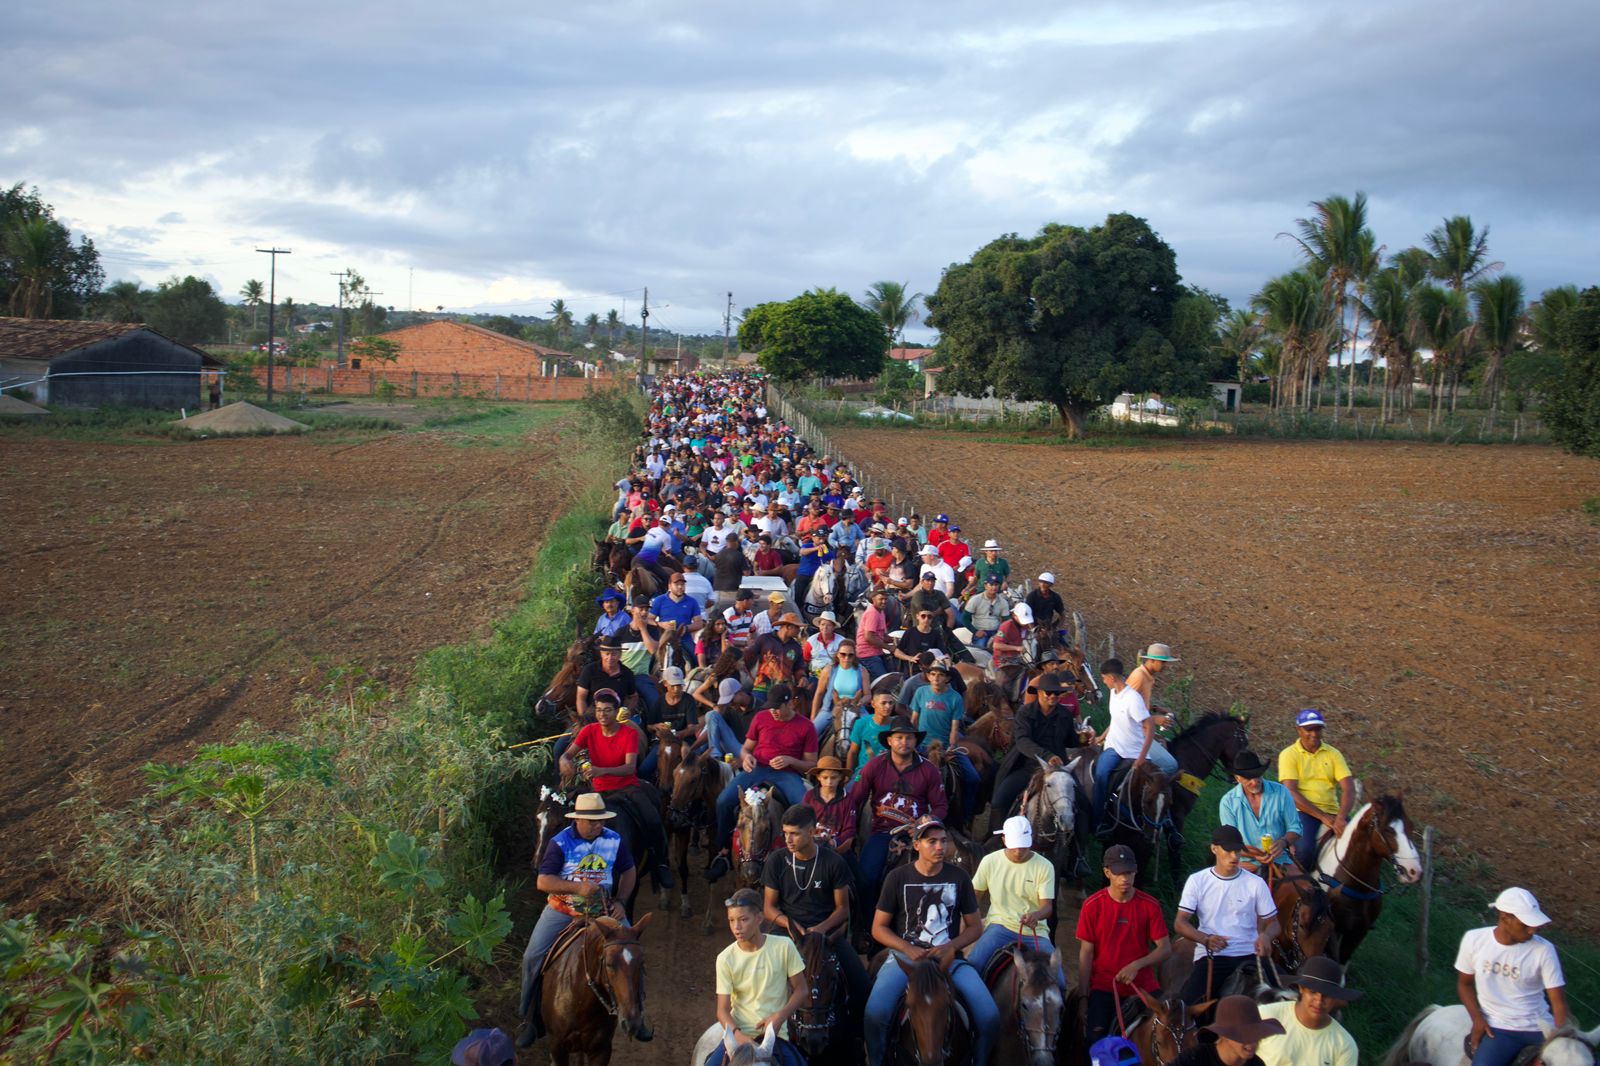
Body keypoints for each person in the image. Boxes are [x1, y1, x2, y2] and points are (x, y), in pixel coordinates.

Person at [864, 819, 997, 1066]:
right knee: (875, 1013)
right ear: (916, 845)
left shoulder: (959, 878)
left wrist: (952, 946)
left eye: (943, 841)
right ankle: (877, 1060)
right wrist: (907, 948)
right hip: (905, 960)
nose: (940, 847)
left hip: (949, 959)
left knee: (988, 1015)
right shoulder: (897, 877)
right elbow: (878, 928)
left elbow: (975, 926)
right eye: (932, 841)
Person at [517, 793, 634, 1046]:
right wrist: (576, 888)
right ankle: (529, 1017)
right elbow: (543, 881)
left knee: (631, 952)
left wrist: (622, 902)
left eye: (601, 821)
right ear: (578, 819)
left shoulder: (614, 840)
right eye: (592, 822)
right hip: (562, 910)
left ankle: (636, 1014)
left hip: (604, 910)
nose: (598, 825)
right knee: (532, 956)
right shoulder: (559, 843)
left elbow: (629, 870)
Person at [762, 804, 868, 1033]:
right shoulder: (777, 860)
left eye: (795, 833)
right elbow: (769, 908)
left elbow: (842, 909)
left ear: (811, 832)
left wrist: (820, 929)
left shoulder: (833, 862)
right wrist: (791, 925)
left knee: (861, 984)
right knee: (759, 979)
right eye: (785, 833)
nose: (788, 840)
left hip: (825, 934)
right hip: (786, 930)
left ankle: (856, 1041)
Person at [560, 690, 674, 889]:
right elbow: (567, 754)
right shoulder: (589, 731)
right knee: (564, 815)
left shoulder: (629, 733)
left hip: (626, 788)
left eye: (607, 710)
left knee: (653, 819)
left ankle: (660, 862)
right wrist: (564, 761)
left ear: (616, 712)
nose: (602, 715)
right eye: (599, 710)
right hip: (597, 792)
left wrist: (599, 771)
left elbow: (630, 767)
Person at [708, 683, 820, 881]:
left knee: (806, 808)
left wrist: (791, 760)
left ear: (790, 704)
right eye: (771, 707)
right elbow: (747, 748)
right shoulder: (761, 717)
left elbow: (811, 763)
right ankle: (724, 850)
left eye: (778, 707)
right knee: (723, 801)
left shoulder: (806, 726)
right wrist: (746, 758)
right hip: (758, 769)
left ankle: (806, 854)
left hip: (787, 774)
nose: (774, 711)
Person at [1453, 887, 1569, 1066]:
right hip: (1499, 1030)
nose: (1532, 931)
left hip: (1540, 1029)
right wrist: (1477, 1019)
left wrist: (1560, 1037)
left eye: (1534, 925)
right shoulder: (1474, 940)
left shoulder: (1544, 950)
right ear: (1504, 918)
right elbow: (1464, 984)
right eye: (1525, 924)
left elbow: (1558, 1002)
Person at [1173, 826, 1280, 1013]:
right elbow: (1180, 923)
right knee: (1187, 1009)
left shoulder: (1256, 883)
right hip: (1213, 955)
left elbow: (1274, 923)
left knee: (1281, 1000)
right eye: (1228, 850)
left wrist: (1265, 936)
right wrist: (1205, 939)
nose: (1234, 856)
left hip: (1249, 953)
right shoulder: (1197, 881)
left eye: (1237, 851)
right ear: (1214, 849)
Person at [854, 717, 948, 927]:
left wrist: (929, 819)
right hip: (883, 831)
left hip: (917, 833)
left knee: (935, 875)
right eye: (898, 737)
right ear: (889, 741)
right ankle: (866, 927)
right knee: (866, 877)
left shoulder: (929, 769)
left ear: (915, 741)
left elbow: (941, 806)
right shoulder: (875, 765)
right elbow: (857, 798)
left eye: (908, 738)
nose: (903, 742)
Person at [1076, 844, 1171, 1046]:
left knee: (1172, 1030)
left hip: (1144, 986)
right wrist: (1084, 996)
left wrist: (1136, 965)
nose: (1124, 879)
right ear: (1107, 872)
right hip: (1105, 985)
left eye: (1129, 872)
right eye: (1119, 873)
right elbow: (1086, 953)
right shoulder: (1092, 905)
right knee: (1094, 1040)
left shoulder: (1149, 905)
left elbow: (1165, 948)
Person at [706, 888, 808, 1066]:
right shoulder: (724, 958)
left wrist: (778, 1018)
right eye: (731, 920)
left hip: (776, 1037)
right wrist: (738, 1035)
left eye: (743, 920)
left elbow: (802, 989)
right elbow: (722, 1010)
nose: (736, 927)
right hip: (739, 1036)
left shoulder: (784, 947)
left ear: (759, 919)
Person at [990, 674, 1090, 856]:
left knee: (1084, 805)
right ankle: (995, 845)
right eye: (1049, 693)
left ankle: (1078, 857)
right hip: (1028, 766)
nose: (1052, 696)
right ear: (1040, 693)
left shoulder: (1065, 715)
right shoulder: (1025, 712)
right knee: (999, 800)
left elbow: (1070, 739)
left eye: (1056, 693)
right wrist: (1047, 755)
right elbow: (1022, 741)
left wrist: (1083, 739)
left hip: (1059, 770)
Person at [966, 815, 1064, 985]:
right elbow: (973, 897)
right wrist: (973, 924)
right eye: (1014, 847)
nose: (1018, 851)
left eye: (1023, 847)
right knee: (973, 965)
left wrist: (1037, 915)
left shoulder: (1045, 866)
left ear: (1031, 840)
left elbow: (1047, 907)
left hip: (1036, 931)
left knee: (1059, 980)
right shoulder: (990, 861)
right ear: (1004, 840)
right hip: (999, 926)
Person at [1090, 658, 1178, 835]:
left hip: (1134, 751)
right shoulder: (1114, 694)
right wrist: (1102, 738)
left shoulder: (1133, 699)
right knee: (1101, 773)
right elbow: (1115, 721)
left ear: (1111, 677)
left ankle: (1165, 820)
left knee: (1157, 782)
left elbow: (1149, 727)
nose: (1104, 682)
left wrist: (1141, 757)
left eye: (1104, 678)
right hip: (1114, 747)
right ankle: (1098, 820)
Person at [1276, 709, 1355, 871]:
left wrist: (1340, 817)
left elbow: (1348, 789)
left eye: (1317, 729)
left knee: (1362, 845)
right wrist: (1323, 817)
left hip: (1333, 812)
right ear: (1299, 730)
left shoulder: (1333, 754)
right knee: (1304, 851)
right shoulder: (1289, 754)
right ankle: (1301, 888)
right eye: (1309, 729)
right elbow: (1291, 792)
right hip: (1302, 813)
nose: (1314, 733)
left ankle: (1371, 891)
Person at [907, 659, 979, 822]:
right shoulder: (920, 693)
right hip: (922, 746)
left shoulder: (955, 698)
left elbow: (955, 728)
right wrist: (911, 743)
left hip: (945, 747)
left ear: (947, 678)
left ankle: (966, 817)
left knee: (973, 778)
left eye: (940, 675)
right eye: (933, 674)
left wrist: (952, 747)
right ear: (928, 676)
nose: (936, 678)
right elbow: (914, 721)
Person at [1254, 956, 1360, 1066]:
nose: (1319, 1001)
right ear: (1301, 988)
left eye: (1327, 995)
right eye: (1313, 992)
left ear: (1335, 998)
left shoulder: (1344, 1045)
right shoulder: (1265, 1015)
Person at [1217, 751, 1300, 876]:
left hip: (1279, 859)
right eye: (1248, 778)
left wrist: (1283, 843)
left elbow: (1296, 828)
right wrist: (1256, 855)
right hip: (1244, 862)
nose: (1255, 782)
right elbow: (1231, 842)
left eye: (1257, 776)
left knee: (1307, 889)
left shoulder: (1281, 792)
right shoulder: (1228, 802)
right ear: (1237, 778)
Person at [1172, 996, 1285, 1066]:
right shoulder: (1195, 1058)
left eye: (1255, 1035)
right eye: (1244, 1036)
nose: (1252, 1043)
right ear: (1225, 1035)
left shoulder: (1256, 1064)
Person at [800, 755, 863, 855]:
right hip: (811, 844)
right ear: (818, 777)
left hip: (838, 847)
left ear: (840, 778)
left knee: (855, 870)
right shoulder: (809, 796)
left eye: (833, 778)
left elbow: (849, 829)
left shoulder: (847, 799)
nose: (829, 782)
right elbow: (802, 821)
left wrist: (835, 842)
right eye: (825, 777)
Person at [811, 638, 868, 742]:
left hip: (855, 708)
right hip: (831, 708)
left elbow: (868, 695)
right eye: (843, 654)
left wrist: (860, 702)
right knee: (811, 733)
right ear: (837, 654)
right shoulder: (828, 670)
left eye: (850, 655)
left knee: (871, 733)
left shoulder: (862, 670)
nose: (846, 658)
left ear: (854, 656)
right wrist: (813, 717)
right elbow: (819, 694)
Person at [745, 612, 806, 707]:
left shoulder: (796, 647)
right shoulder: (764, 639)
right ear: (788, 627)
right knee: (756, 712)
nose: (799, 630)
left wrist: (802, 677)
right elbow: (748, 656)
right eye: (797, 627)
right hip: (762, 686)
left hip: (783, 689)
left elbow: (798, 667)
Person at [847, 692, 896, 780]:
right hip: (862, 772)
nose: (888, 706)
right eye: (883, 703)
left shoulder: (897, 724)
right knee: (850, 791)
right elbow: (853, 752)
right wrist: (848, 776)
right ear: (873, 704)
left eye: (891, 703)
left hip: (890, 773)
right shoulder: (861, 723)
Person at [963, 575, 1011, 649]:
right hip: (980, 631)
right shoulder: (975, 600)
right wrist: (975, 631)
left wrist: (1000, 633)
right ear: (985, 586)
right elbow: (965, 618)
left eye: (996, 585)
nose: (994, 587)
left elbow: (1007, 621)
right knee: (981, 650)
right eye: (991, 584)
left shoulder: (1003, 602)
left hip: (996, 632)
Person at [856, 588, 893, 680]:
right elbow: (868, 637)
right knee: (883, 680)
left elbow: (882, 635)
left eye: (886, 599)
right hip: (867, 655)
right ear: (873, 599)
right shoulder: (872, 613)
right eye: (881, 599)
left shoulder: (881, 612)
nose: (884, 601)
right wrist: (888, 647)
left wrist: (896, 640)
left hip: (877, 652)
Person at [1025, 573, 1064, 638]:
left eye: (1046, 583)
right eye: (1041, 581)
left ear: (1051, 584)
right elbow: (1026, 614)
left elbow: (1062, 615)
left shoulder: (1055, 597)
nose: (1042, 584)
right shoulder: (1032, 596)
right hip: (1032, 626)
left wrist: (1055, 628)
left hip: (1047, 627)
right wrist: (1033, 630)